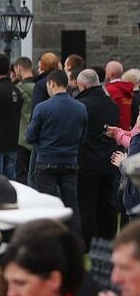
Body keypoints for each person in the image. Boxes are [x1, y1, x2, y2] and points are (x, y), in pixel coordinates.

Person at [26, 69, 87, 232]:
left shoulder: (42, 107)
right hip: (70, 161)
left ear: (52, 83)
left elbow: (30, 136)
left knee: (46, 205)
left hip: (46, 160)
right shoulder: (80, 108)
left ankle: (49, 241)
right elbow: (83, 138)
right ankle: (74, 243)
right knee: (72, 205)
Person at [75, 68, 121, 245]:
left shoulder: (82, 105)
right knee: (107, 203)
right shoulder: (111, 104)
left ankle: (87, 241)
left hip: (87, 160)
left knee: (86, 203)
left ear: (83, 85)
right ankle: (108, 239)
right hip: (109, 160)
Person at [14, 56, 37, 183]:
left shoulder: (17, 90)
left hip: (21, 138)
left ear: (19, 68)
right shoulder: (41, 88)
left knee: (21, 175)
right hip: (38, 137)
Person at [105, 61, 133, 132]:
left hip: (113, 131)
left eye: (106, 70)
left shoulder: (108, 90)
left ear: (111, 73)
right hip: (126, 130)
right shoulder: (127, 90)